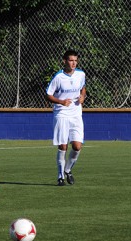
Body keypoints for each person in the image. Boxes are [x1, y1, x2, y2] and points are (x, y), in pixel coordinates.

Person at [45, 49, 86, 186]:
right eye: (71, 60)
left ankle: (68, 170)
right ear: (64, 61)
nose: (73, 63)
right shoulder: (58, 77)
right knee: (63, 146)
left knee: (77, 146)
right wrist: (61, 102)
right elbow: (48, 94)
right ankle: (60, 176)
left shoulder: (81, 74)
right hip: (62, 112)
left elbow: (83, 88)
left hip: (76, 113)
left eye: (75, 60)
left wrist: (82, 97)